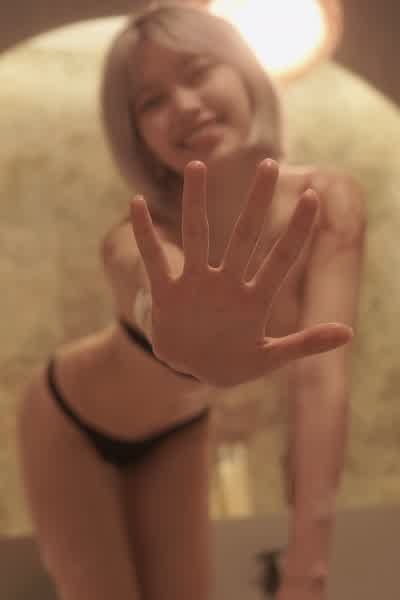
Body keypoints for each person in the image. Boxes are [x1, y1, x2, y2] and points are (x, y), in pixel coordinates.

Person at [15, 4, 363, 600]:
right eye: (151, 101)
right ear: (137, 135)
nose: (183, 104)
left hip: (179, 427)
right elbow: (149, 287)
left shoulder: (328, 202)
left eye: (198, 72)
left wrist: (308, 568)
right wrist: (168, 320)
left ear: (245, 71)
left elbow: (320, 382)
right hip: (69, 424)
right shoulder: (139, 236)